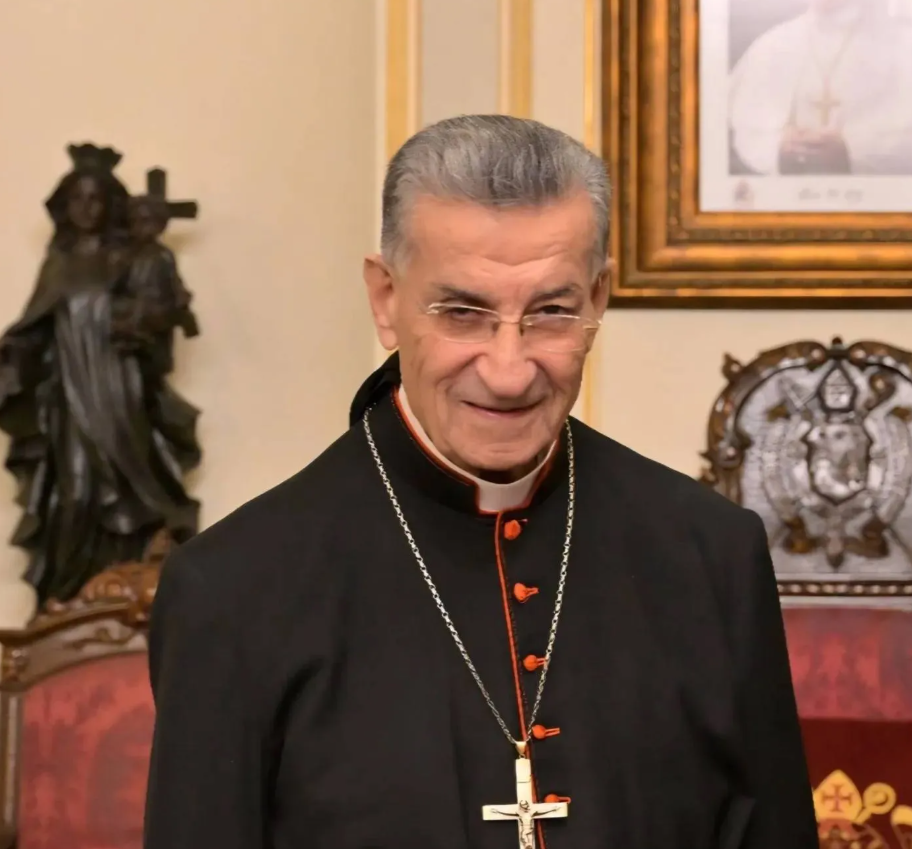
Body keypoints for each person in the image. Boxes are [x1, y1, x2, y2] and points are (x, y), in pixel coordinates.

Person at [144, 115, 818, 848]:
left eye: (551, 312)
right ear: (385, 299)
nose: (508, 371)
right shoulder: (234, 590)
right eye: (462, 313)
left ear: (597, 299)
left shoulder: (711, 554)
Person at [0, 144, 201, 605]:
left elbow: (158, 313)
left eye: (96, 198)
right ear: (64, 205)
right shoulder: (58, 264)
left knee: (134, 489)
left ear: (111, 204)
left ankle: (139, 594)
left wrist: (143, 322)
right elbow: (34, 331)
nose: (86, 208)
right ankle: (66, 600)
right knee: (75, 496)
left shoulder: (130, 258)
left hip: (120, 391)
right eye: (77, 198)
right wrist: (12, 362)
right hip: (70, 400)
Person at [729, 0, 912, 175]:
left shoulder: (904, 45)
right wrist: (778, 149)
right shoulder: (772, 44)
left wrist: (852, 154)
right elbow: (747, 131)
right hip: (785, 193)